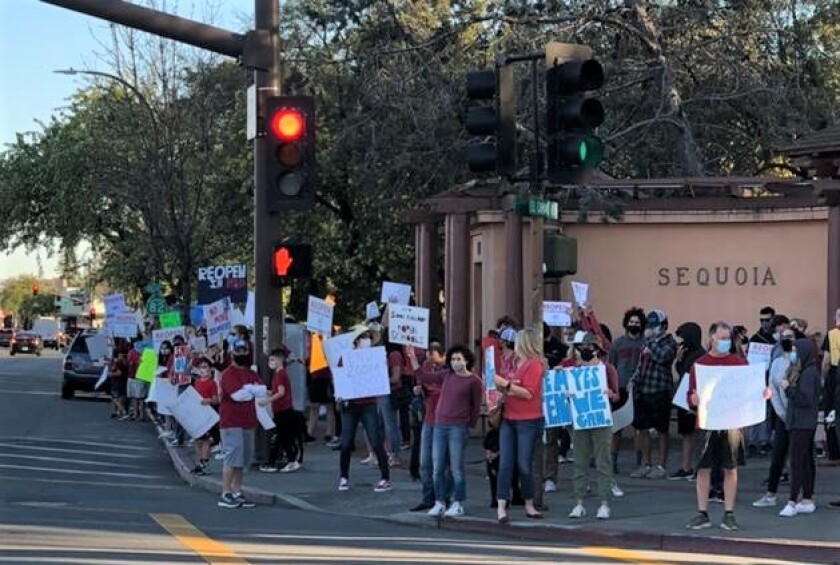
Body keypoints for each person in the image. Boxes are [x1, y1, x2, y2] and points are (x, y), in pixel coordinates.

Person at [685, 322, 771, 531]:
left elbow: (752, 391)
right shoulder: (699, 365)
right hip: (706, 423)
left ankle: (729, 513)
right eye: (721, 337)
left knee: (730, 468)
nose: (725, 342)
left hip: (731, 424)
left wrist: (764, 394)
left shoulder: (739, 364)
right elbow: (689, 395)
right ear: (711, 337)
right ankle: (702, 512)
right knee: (703, 469)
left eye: (727, 338)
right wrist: (693, 400)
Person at [493, 327, 546, 523]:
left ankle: (529, 503)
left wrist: (506, 386)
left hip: (529, 420)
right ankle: (501, 506)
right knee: (505, 463)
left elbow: (528, 393)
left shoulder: (535, 365)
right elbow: (510, 388)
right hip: (509, 417)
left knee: (524, 464)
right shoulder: (511, 362)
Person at [567, 332, 620, 520]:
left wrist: (609, 394)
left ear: (596, 350)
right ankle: (579, 502)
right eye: (581, 349)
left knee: (602, 462)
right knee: (579, 462)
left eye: (587, 348)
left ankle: (604, 503)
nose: (584, 352)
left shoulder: (607, 369)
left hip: (601, 420)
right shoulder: (575, 371)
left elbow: (617, 396)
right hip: (581, 420)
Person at [426, 345, 483, 518]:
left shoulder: (473, 381)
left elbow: (476, 406)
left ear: (466, 360)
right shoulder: (447, 375)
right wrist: (414, 360)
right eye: (452, 359)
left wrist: (469, 424)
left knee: (456, 467)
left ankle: (457, 502)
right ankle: (440, 502)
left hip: (458, 426)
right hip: (440, 424)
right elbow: (426, 377)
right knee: (437, 467)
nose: (455, 362)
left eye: (459, 359)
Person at [337, 332, 392, 493]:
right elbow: (340, 379)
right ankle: (344, 476)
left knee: (376, 440)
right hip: (350, 404)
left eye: (368, 338)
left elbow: (381, 376)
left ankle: (385, 477)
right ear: (356, 342)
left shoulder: (375, 358)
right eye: (363, 338)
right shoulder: (345, 358)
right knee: (346, 442)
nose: (366, 341)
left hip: (368, 404)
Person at [629, 309, 677, 479]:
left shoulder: (669, 342)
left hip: (660, 390)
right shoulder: (646, 343)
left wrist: (651, 343)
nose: (651, 328)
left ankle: (661, 465)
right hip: (643, 390)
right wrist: (633, 380)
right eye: (650, 325)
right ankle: (645, 464)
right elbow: (640, 364)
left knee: (662, 429)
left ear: (664, 325)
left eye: (655, 325)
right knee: (642, 428)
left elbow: (664, 358)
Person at [753, 327, 796, 508]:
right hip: (782, 415)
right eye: (785, 337)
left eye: (791, 337)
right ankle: (771, 494)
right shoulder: (777, 362)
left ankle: (799, 496)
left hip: (798, 416)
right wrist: (781, 412)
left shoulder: (800, 361)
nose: (788, 340)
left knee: (798, 458)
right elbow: (773, 388)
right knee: (778, 455)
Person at [217, 340, 263, 509]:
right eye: (239, 350)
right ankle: (226, 492)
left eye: (244, 350)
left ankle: (237, 492)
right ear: (232, 353)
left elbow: (261, 390)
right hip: (231, 422)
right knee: (231, 458)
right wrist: (251, 390)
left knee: (242, 460)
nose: (242, 353)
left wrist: (249, 390)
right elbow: (237, 396)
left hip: (247, 421)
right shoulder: (228, 374)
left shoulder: (251, 373)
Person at [778, 338, 820, 517]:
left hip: (802, 422)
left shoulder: (809, 373)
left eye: (796, 350)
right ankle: (807, 498)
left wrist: (789, 389)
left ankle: (792, 501)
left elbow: (806, 399)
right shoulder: (803, 370)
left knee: (796, 461)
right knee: (805, 461)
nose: (793, 354)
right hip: (802, 421)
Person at [407, 341, 450, 512]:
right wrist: (419, 389)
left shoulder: (448, 369)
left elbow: (435, 384)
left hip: (443, 420)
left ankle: (444, 497)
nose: (431, 362)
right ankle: (428, 497)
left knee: (442, 462)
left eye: (434, 358)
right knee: (425, 462)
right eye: (428, 358)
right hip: (429, 417)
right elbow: (422, 380)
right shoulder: (426, 366)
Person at [608, 307, 646, 475]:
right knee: (616, 427)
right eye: (631, 322)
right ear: (626, 324)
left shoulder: (646, 343)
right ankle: (612, 461)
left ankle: (639, 462)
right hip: (620, 389)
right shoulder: (617, 343)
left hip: (640, 390)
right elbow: (611, 367)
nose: (634, 324)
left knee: (639, 428)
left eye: (637, 322)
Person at [669, 322, 705, 480]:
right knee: (686, 433)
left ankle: (699, 468)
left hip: (696, 399)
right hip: (684, 396)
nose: (680, 341)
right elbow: (680, 373)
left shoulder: (700, 355)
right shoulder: (686, 353)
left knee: (698, 435)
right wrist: (678, 360)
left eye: (683, 336)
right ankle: (686, 467)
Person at [260, 347, 300, 473]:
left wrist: (268, 400)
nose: (270, 362)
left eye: (272, 360)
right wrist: (266, 392)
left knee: (282, 436)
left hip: (283, 409)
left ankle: (289, 461)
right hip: (282, 409)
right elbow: (278, 391)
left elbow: (281, 392)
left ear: (279, 360)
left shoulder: (280, 374)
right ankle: (284, 461)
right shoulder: (279, 374)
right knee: (282, 437)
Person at [190, 356, 218, 476]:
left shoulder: (212, 383)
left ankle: (204, 463)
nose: (203, 370)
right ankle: (200, 462)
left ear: (210, 369)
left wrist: (208, 401)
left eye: (205, 367)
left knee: (205, 440)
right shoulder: (196, 382)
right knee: (197, 440)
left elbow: (216, 400)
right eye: (201, 368)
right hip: (197, 414)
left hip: (207, 414)